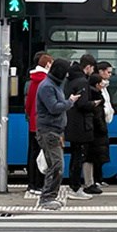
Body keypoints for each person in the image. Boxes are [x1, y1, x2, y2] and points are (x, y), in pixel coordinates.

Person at [35, 58, 80, 210]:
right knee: (56, 166)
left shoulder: (53, 84)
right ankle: (47, 197)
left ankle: (49, 196)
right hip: (49, 131)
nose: (67, 75)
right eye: (66, 71)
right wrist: (70, 102)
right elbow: (54, 107)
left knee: (55, 165)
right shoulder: (48, 86)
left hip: (54, 131)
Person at [63, 54, 96, 198]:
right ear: (87, 67)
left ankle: (73, 186)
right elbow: (82, 104)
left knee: (75, 156)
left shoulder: (71, 79)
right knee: (79, 157)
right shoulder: (82, 81)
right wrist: (94, 103)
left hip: (71, 122)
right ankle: (75, 188)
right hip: (81, 124)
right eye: (92, 68)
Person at [23, 52, 52, 197]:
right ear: (47, 65)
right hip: (43, 123)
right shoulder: (46, 81)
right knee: (42, 155)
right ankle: (38, 183)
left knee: (33, 153)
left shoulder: (33, 80)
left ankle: (31, 183)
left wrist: (30, 115)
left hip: (34, 122)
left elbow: (28, 104)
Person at [93, 61, 115, 187]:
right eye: (108, 72)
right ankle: (96, 179)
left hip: (103, 121)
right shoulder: (98, 87)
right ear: (100, 71)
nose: (110, 75)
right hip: (99, 123)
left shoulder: (105, 86)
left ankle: (99, 178)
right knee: (97, 152)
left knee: (100, 152)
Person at [88, 73, 110, 193]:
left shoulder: (93, 93)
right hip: (98, 132)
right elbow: (97, 116)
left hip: (95, 131)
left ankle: (96, 180)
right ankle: (94, 181)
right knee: (95, 156)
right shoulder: (96, 96)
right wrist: (103, 128)